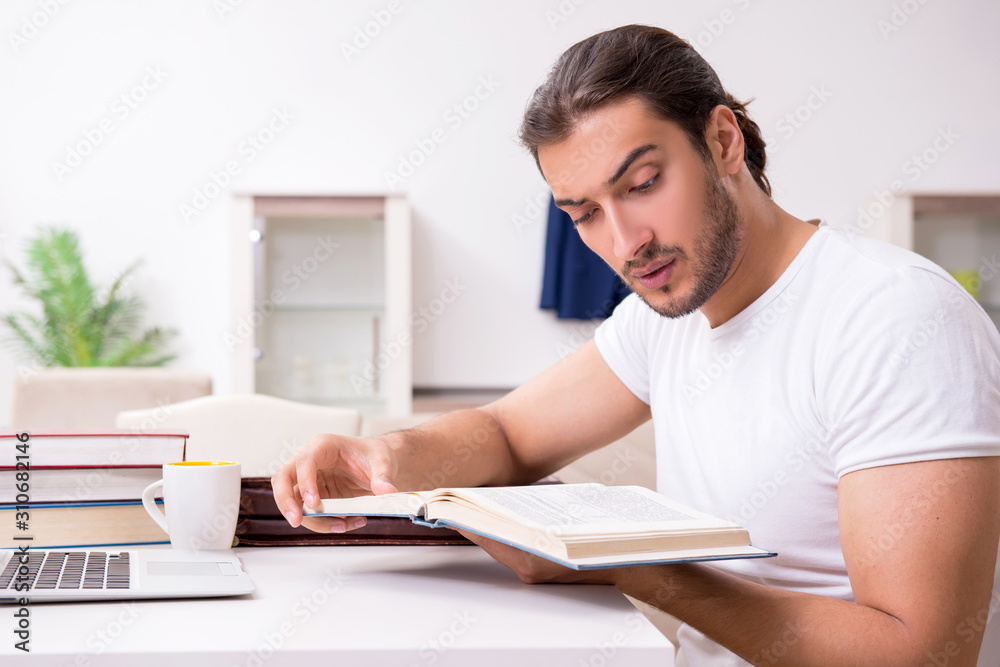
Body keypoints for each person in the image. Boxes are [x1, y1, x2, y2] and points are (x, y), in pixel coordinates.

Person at [273, 24, 1000, 665]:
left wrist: (625, 564)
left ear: (723, 141)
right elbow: (505, 432)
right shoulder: (664, 319)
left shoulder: (897, 318)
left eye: (644, 183)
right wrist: (387, 458)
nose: (625, 243)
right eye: (583, 213)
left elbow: (923, 652)